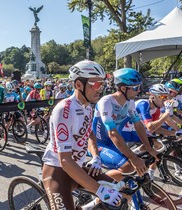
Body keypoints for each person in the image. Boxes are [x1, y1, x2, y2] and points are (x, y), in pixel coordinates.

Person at [42, 60, 122, 209]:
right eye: (96, 84)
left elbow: (89, 133)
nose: (100, 89)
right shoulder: (64, 110)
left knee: (123, 191)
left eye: (102, 84)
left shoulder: (88, 107)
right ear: (79, 85)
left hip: (77, 168)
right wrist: (99, 190)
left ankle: (86, 206)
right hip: (57, 171)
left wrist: (96, 157)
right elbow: (65, 160)